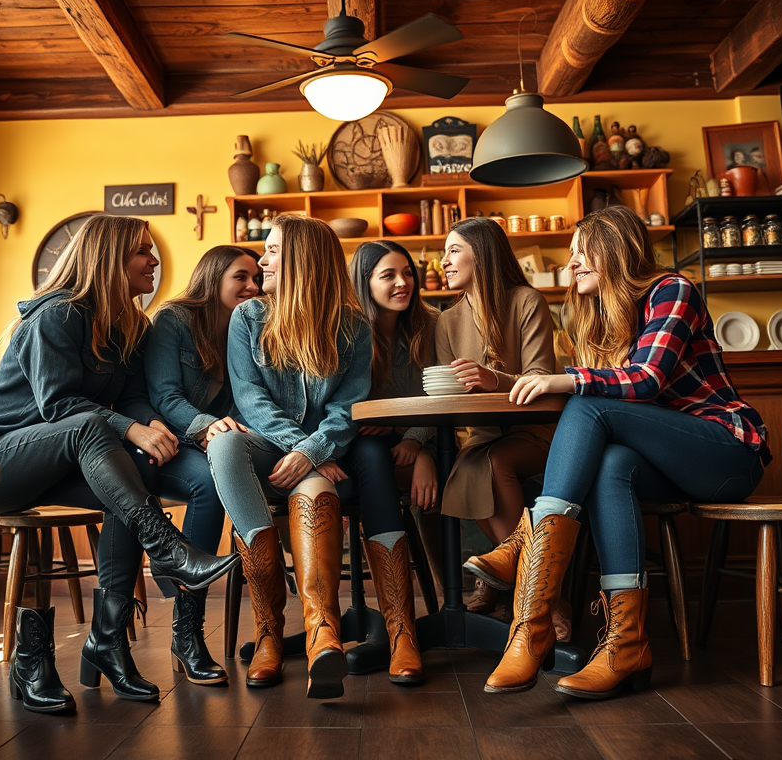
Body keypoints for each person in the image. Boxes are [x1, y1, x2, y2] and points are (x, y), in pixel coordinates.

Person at [0, 214, 240, 714]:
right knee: (95, 436)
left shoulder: (131, 325)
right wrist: (132, 430)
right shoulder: (58, 315)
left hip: (57, 467)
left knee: (129, 489)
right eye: (142, 252)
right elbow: (59, 407)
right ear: (109, 261)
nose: (154, 260)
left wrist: (149, 427)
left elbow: (130, 399)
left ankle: (107, 642)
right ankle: (167, 547)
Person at [479, 205, 770, 698]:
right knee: (612, 464)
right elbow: (610, 390)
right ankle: (625, 644)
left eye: (579, 254)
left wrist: (569, 379)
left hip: (726, 453)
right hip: (666, 463)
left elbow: (647, 380)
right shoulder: (600, 317)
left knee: (588, 405)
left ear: (613, 248)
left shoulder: (672, 290)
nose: (571, 266)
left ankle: (527, 573)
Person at [206, 213, 371, 700]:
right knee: (226, 441)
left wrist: (313, 453)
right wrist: (307, 449)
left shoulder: (353, 327)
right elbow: (251, 400)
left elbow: (349, 407)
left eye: (273, 250)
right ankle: (268, 632)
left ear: (302, 258)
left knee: (316, 490)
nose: (262, 260)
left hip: (321, 456)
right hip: (267, 446)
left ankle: (323, 631)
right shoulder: (248, 317)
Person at [143, 245, 260, 686]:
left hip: (208, 445)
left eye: (256, 277)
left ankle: (270, 625)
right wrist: (209, 426)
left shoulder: (247, 326)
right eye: (241, 277)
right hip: (159, 442)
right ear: (213, 278)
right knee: (210, 486)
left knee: (230, 476)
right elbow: (163, 395)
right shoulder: (173, 320)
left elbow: (247, 400)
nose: (252, 286)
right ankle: (188, 630)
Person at [435, 218, 557, 620]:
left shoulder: (526, 300)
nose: (444, 262)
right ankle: (528, 587)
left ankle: (529, 592)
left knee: (490, 463)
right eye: (444, 253)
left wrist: (496, 379)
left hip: (535, 431)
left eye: (454, 250)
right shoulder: (447, 320)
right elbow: (448, 393)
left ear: (481, 255)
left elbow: (540, 376)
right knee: (470, 462)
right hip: (482, 435)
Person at [345, 239, 439, 685]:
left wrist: (418, 445)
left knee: (453, 478)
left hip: (421, 441)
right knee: (371, 458)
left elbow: (441, 399)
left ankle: (473, 596)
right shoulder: (348, 332)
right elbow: (342, 407)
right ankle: (398, 628)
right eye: (388, 275)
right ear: (364, 283)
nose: (403, 283)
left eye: (407, 272)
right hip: (358, 449)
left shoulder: (430, 324)